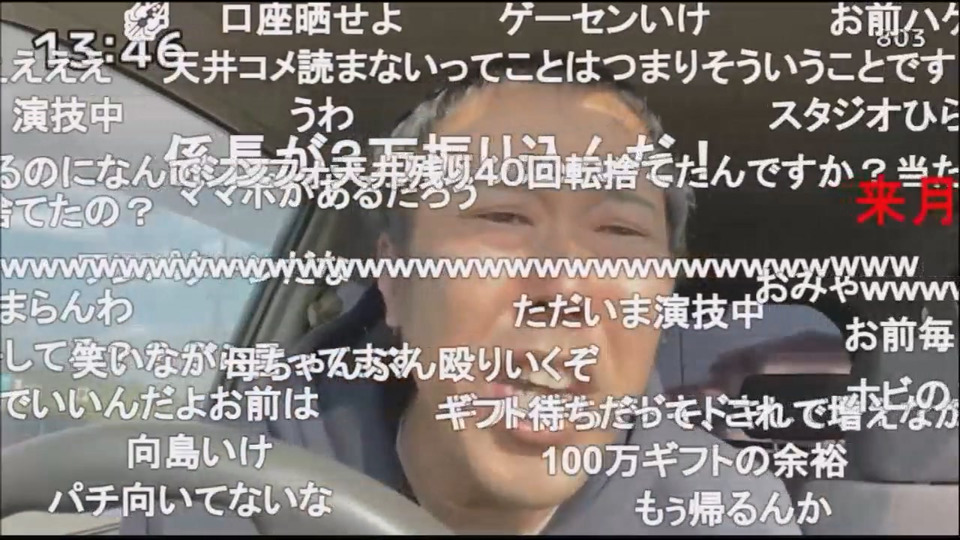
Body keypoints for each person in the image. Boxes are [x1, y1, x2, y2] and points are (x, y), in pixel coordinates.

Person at [121, 59, 800, 535]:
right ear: (394, 281)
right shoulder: (234, 478)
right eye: (503, 217)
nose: (564, 286)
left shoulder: (724, 511)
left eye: (619, 231)